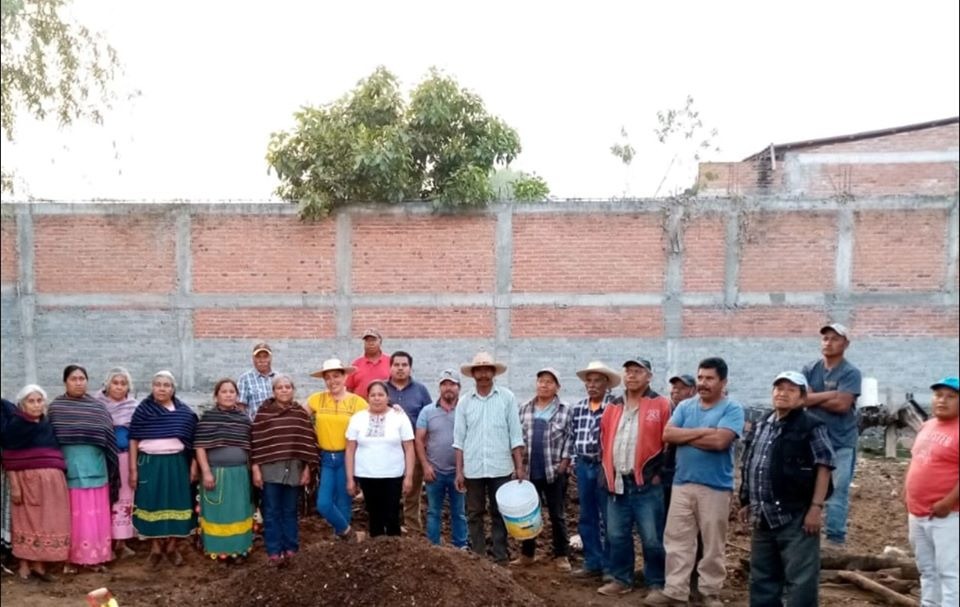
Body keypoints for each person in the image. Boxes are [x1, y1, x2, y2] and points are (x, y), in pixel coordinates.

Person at [646, 357, 744, 607]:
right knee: (677, 540)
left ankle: (709, 592)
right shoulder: (685, 407)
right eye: (700, 377)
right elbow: (668, 434)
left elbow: (720, 442)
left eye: (710, 378)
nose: (703, 383)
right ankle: (675, 590)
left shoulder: (732, 409)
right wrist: (705, 432)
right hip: (682, 483)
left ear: (723, 382)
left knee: (712, 544)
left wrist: (686, 436)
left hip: (715, 487)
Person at [738, 372, 834, 607]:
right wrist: (746, 500)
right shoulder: (762, 424)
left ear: (802, 398)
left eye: (791, 390)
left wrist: (815, 507)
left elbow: (824, 465)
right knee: (762, 579)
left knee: (801, 580)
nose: (783, 393)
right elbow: (750, 462)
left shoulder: (812, 425)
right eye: (779, 388)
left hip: (796, 515)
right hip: (762, 516)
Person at [598, 357, 671, 597]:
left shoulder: (661, 404)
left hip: (647, 484)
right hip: (618, 482)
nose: (631, 375)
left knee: (652, 538)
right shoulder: (613, 406)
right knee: (616, 535)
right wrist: (606, 472)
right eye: (628, 371)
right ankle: (622, 579)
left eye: (638, 371)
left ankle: (656, 582)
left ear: (649, 376)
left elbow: (669, 444)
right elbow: (604, 439)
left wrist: (659, 474)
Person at [48, 364, 120, 574]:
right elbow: (50, 439)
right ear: (65, 382)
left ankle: (96, 557)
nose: (78, 383)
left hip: (96, 467)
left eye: (82, 379)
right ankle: (70, 559)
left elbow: (108, 440)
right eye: (74, 379)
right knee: (72, 515)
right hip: (69, 469)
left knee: (95, 514)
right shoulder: (56, 408)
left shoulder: (98, 407)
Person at [453, 352, 525, 564]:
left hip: (501, 467)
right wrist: (459, 471)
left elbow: (515, 435)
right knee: (474, 513)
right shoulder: (464, 402)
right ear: (473, 374)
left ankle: (500, 557)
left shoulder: (507, 398)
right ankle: (479, 558)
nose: (483, 374)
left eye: (487, 370)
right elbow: (459, 440)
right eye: (479, 370)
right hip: (473, 468)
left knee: (499, 513)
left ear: (493, 373)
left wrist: (519, 467)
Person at [129, 370, 199, 568]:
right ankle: (155, 548)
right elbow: (133, 439)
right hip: (150, 464)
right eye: (158, 384)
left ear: (173, 389)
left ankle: (172, 547)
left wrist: (194, 466)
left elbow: (194, 441)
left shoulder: (184, 413)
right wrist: (133, 469)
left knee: (177, 502)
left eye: (166, 385)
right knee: (152, 503)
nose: (162, 389)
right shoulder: (143, 411)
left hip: (177, 464)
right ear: (152, 387)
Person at [802, 322, 862, 548]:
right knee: (808, 488)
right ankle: (806, 536)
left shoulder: (850, 372)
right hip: (813, 440)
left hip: (841, 441)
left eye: (835, 339)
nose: (828, 342)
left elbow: (842, 406)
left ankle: (835, 539)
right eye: (825, 338)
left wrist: (815, 397)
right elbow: (802, 398)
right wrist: (832, 394)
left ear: (846, 344)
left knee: (837, 491)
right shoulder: (810, 369)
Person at [1, 385, 70, 582]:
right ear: (22, 404)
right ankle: (24, 564)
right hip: (26, 482)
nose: (36, 405)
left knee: (46, 522)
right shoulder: (15, 426)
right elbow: (9, 457)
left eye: (39, 401)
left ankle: (39, 565)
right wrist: (15, 486)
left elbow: (53, 452)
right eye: (31, 401)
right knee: (25, 522)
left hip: (51, 484)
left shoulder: (46, 425)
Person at [904, 376, 959, 607]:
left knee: (950, 573)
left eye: (950, 396)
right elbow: (916, 459)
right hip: (917, 512)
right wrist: (906, 492)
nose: (942, 400)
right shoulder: (927, 426)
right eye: (938, 395)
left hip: (948, 515)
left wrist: (948, 502)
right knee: (927, 570)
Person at [511, 368, 573, 572]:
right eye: (541, 381)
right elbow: (517, 438)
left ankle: (561, 555)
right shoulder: (525, 408)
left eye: (549, 382)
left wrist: (564, 464)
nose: (544, 385)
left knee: (557, 514)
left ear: (557, 387)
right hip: (529, 470)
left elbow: (569, 438)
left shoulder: (565, 410)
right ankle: (527, 554)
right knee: (529, 514)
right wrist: (518, 466)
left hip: (554, 471)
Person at [251, 374, 317, 566]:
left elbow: (307, 444)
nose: (284, 390)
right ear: (273, 391)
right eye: (280, 387)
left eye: (288, 387)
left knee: (290, 510)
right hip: (270, 471)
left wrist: (307, 469)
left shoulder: (300, 414)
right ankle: (274, 551)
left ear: (293, 390)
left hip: (294, 470)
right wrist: (256, 470)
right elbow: (256, 444)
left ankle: (291, 549)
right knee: (271, 511)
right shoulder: (264, 413)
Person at [306, 358, 368, 541]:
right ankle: (349, 533)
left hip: (347, 457)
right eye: (328, 377)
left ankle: (342, 544)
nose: (332, 381)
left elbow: (374, 417)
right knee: (324, 503)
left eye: (336, 376)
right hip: (326, 457)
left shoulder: (357, 403)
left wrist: (394, 409)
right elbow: (298, 417)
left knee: (344, 501)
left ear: (344, 377)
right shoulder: (317, 399)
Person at [570, 360, 621, 580]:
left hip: (604, 466)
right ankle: (592, 562)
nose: (592, 385)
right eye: (589, 381)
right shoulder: (579, 408)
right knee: (587, 515)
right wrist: (574, 462)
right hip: (584, 465)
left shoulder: (615, 408)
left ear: (607, 384)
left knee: (609, 517)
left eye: (597, 381)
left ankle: (610, 566)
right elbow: (572, 436)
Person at [195, 378, 254, 563]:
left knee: (239, 511)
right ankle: (218, 549)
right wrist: (206, 471)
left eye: (232, 392)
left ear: (237, 395)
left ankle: (239, 549)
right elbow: (200, 446)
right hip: (216, 474)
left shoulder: (244, 419)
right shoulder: (208, 418)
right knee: (219, 513)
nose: (228, 395)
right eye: (224, 391)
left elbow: (251, 446)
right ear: (216, 396)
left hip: (240, 474)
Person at [345, 380, 415, 537]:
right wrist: (350, 478)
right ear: (368, 397)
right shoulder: (358, 418)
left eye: (381, 395)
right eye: (373, 395)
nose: (377, 398)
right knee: (374, 515)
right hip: (367, 474)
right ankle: (377, 548)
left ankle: (394, 547)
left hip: (393, 475)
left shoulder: (399, 417)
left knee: (392, 516)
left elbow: (409, 448)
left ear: (388, 397)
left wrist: (409, 476)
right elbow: (350, 449)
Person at [415, 370, 467, 548]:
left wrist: (463, 470)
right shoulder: (427, 411)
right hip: (434, 472)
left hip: (458, 473)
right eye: (444, 384)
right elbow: (419, 440)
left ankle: (461, 546)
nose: (448, 388)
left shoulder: (465, 410)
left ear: (459, 387)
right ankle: (434, 548)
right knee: (433, 512)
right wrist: (425, 466)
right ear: (439, 388)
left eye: (452, 384)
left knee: (459, 512)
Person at [93, 367, 139, 560]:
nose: (119, 387)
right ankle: (105, 542)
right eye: (115, 383)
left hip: (125, 458)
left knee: (124, 498)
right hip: (103, 458)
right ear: (107, 384)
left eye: (123, 383)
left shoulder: (134, 406)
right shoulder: (96, 405)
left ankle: (121, 542)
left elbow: (136, 435)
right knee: (104, 497)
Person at [385, 351, 433, 533]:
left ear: (410, 368)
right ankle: (388, 530)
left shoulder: (420, 390)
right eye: (396, 365)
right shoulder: (381, 389)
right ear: (390, 367)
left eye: (404, 365)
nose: (400, 368)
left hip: (414, 447)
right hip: (387, 449)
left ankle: (413, 530)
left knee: (412, 491)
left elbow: (429, 417)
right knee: (388, 490)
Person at [663, 374, 696, 510]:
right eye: (674, 387)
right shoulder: (665, 410)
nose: (676, 391)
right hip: (664, 471)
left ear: (693, 391)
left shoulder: (695, 414)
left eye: (682, 388)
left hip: (685, 473)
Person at [345, 329, 390, 400]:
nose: (370, 343)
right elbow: (349, 389)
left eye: (374, 340)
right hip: (360, 405)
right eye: (367, 341)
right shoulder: (356, 364)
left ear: (380, 341)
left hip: (383, 405)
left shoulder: (390, 362)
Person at [238, 342, 278, 421]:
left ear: (270, 358)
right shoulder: (245, 379)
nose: (262, 360)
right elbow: (241, 407)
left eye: (265, 356)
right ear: (253, 359)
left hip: (276, 424)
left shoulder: (279, 378)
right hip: (255, 424)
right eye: (258, 357)